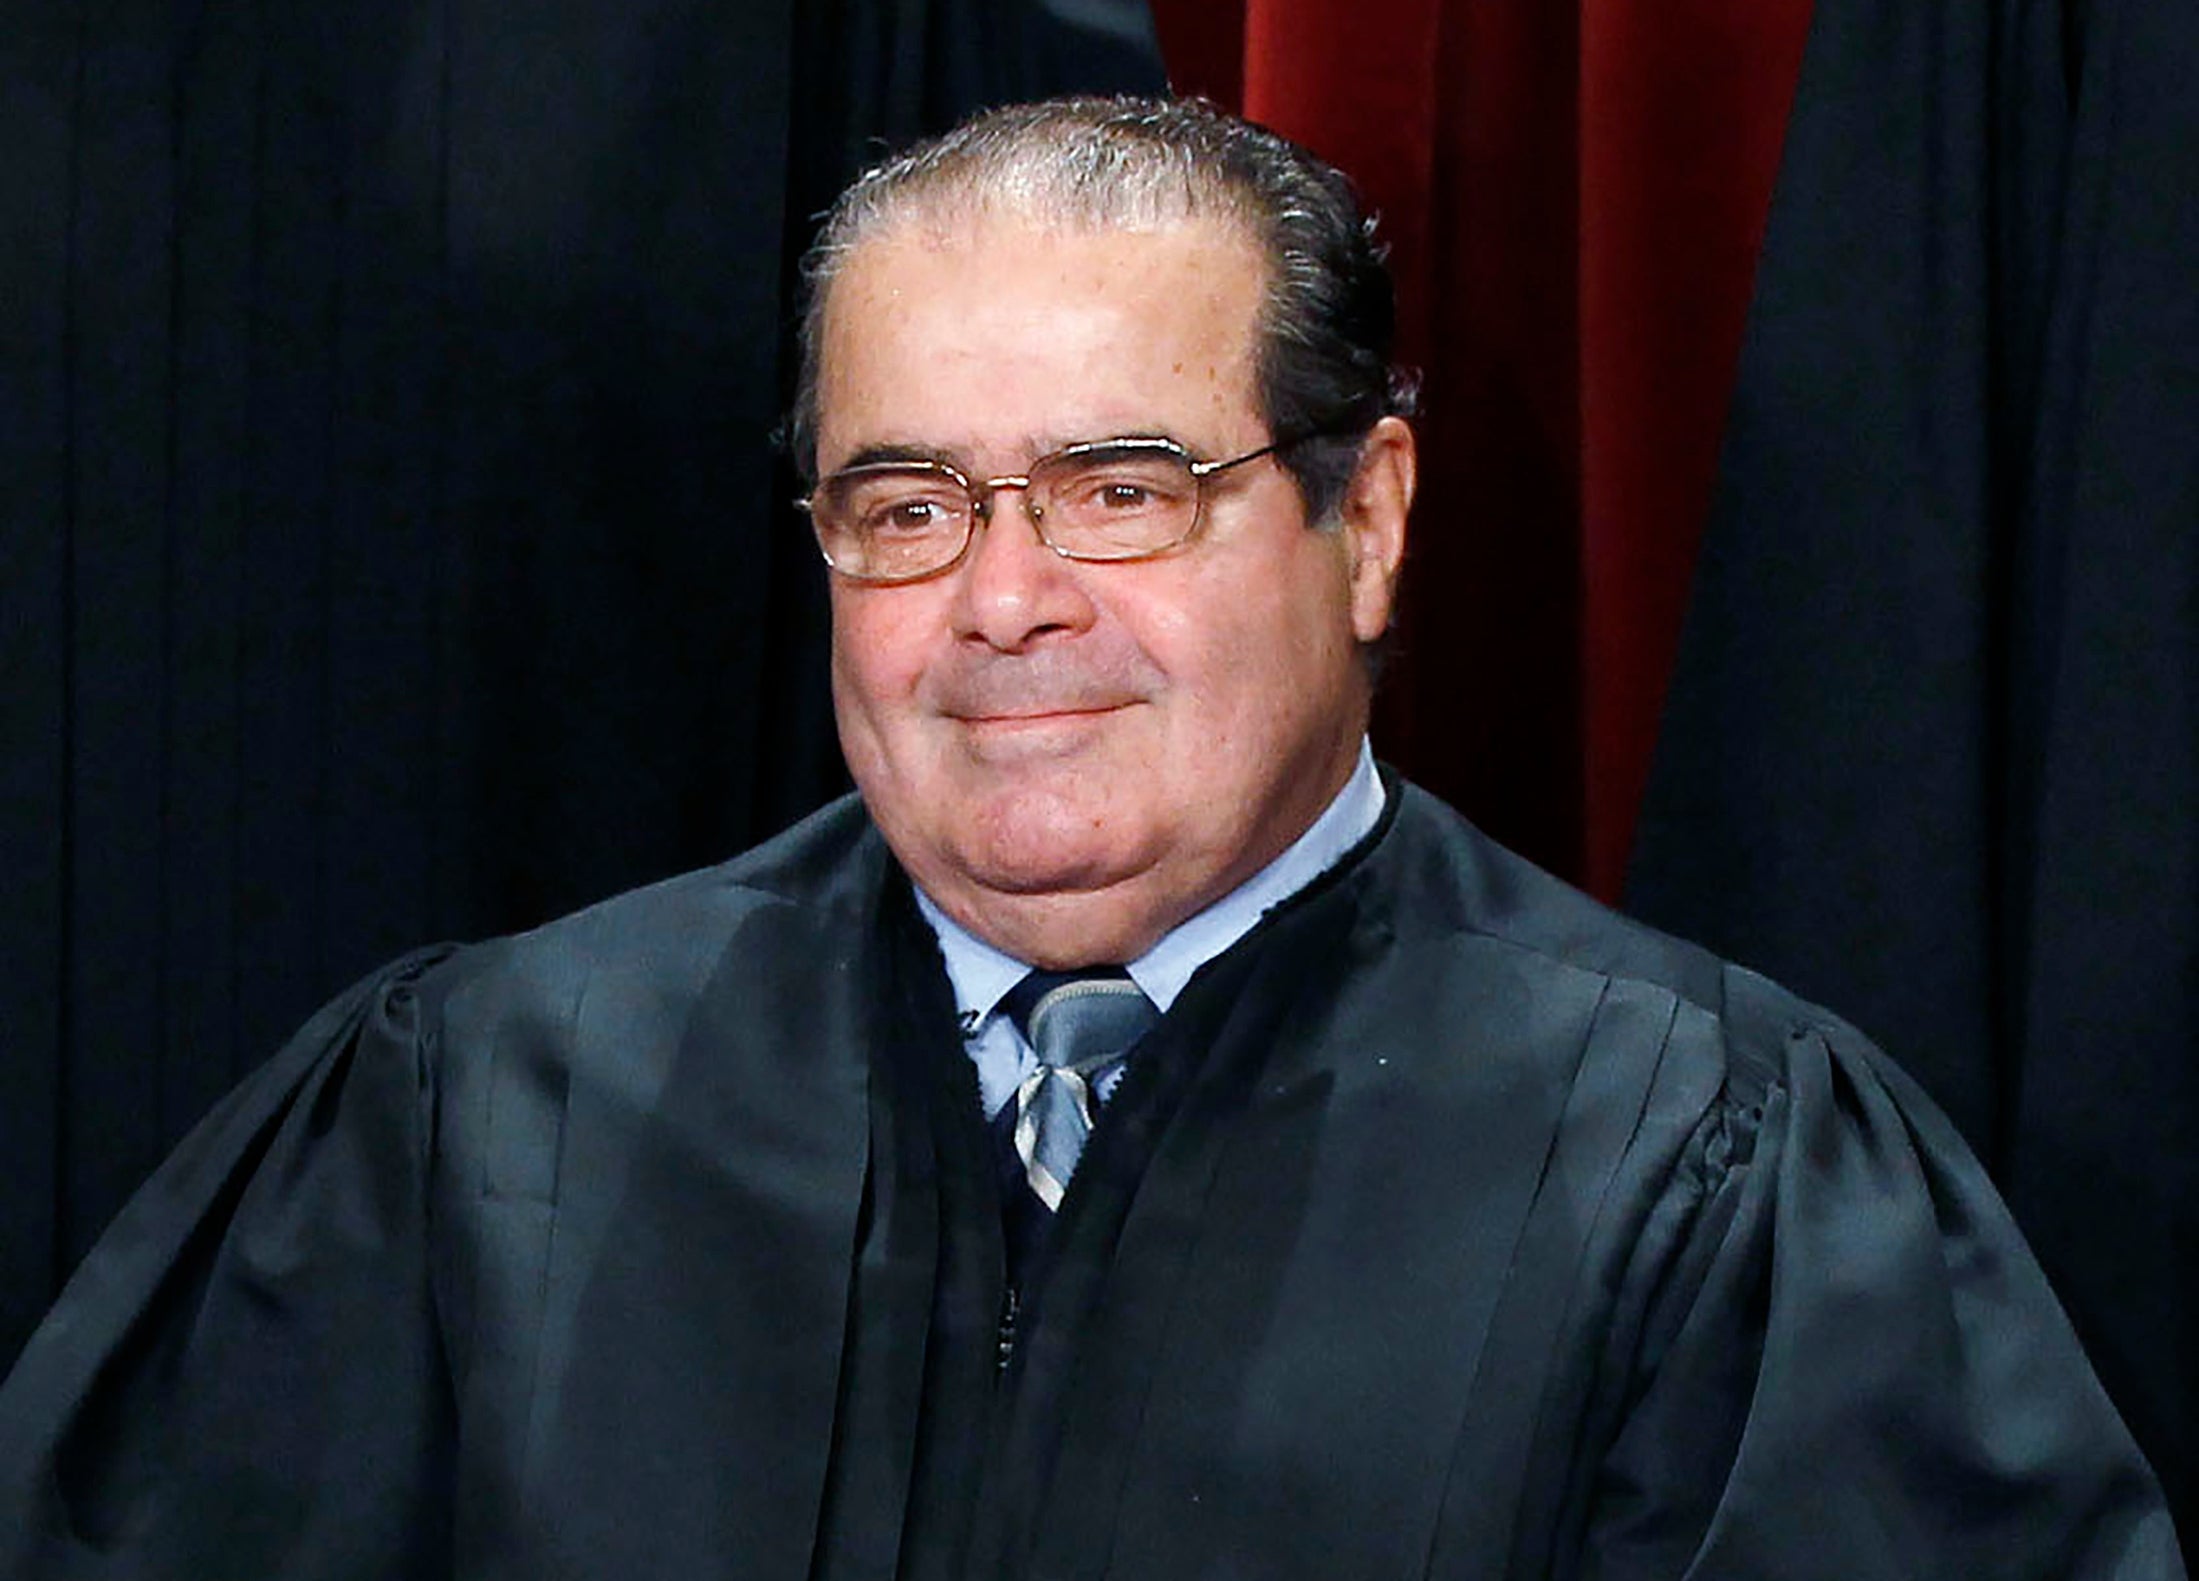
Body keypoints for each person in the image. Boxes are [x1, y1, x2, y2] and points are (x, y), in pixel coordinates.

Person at [0, 95, 2183, 1580]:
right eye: (904, 506)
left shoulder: (1707, 1176)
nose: (1003, 599)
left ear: (1365, 523)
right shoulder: (476, 1113)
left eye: (1121, 489)